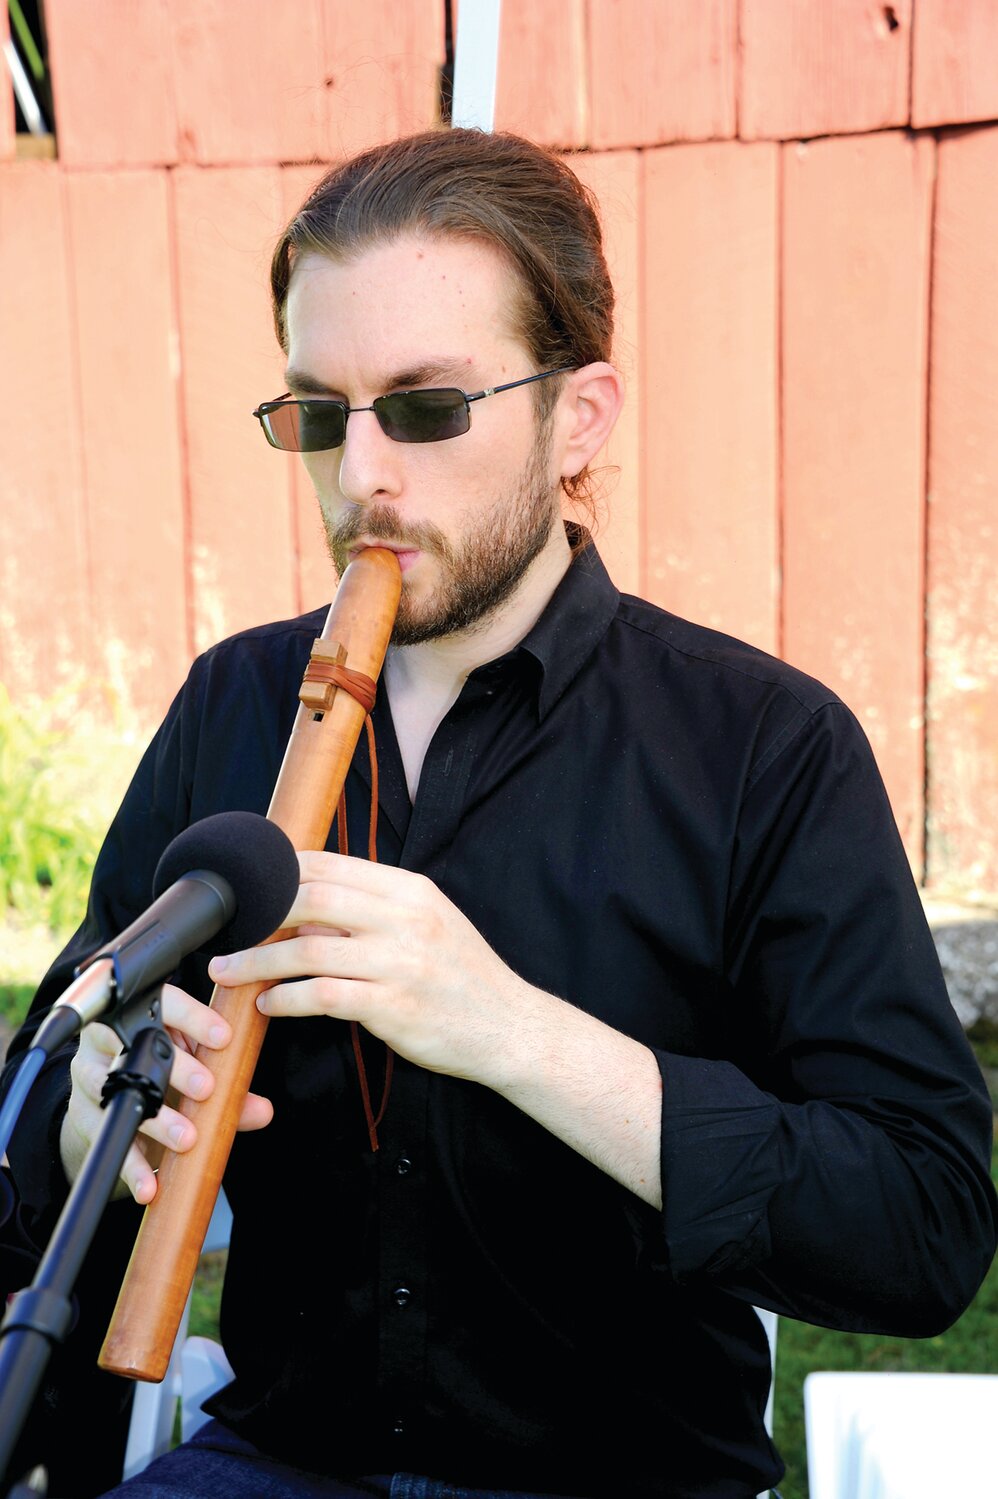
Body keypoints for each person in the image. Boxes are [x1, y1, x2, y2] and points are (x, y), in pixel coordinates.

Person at [3, 128, 996, 1499]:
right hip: (283, 1459)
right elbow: (46, 1089)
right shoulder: (231, 704)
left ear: (578, 414)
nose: (360, 479)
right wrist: (92, 1127)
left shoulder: (763, 744)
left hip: (626, 1478)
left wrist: (507, 1028)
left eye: (423, 410)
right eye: (317, 413)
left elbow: (921, 1227)